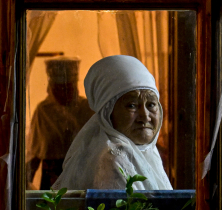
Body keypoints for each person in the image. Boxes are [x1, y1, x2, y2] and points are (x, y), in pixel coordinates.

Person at [53, 55, 172, 191]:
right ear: (107, 113)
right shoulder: (114, 159)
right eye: (131, 105)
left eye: (151, 104)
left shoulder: (148, 153)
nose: (145, 116)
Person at [27, 57, 94, 190]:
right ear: (51, 88)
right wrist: (24, 180)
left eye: (68, 88)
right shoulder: (44, 111)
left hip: (82, 170)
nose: (64, 93)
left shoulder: (86, 108)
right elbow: (35, 150)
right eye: (58, 88)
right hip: (52, 175)